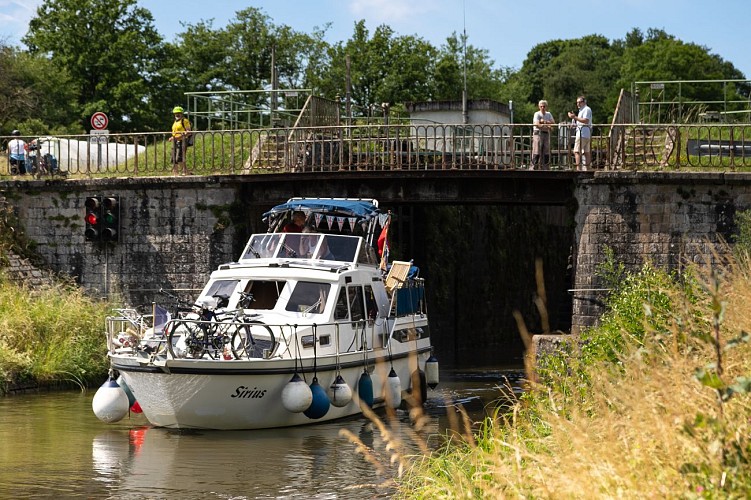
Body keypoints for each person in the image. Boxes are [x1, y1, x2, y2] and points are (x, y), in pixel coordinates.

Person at [568, 96, 592, 171]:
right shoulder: (581, 110)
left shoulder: (586, 109)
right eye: (577, 102)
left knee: (576, 151)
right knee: (586, 152)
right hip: (585, 133)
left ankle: (579, 169)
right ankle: (587, 169)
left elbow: (586, 120)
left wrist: (574, 117)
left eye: (580, 102)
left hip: (582, 133)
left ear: (584, 102)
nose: (578, 104)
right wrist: (573, 124)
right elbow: (580, 122)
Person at [169, 106, 192, 176]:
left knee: (180, 158)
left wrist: (178, 137)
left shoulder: (184, 121)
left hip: (182, 141)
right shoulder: (175, 122)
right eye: (176, 113)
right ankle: (175, 174)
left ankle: (186, 172)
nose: (177, 114)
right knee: (173, 158)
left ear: (182, 114)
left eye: (179, 113)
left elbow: (188, 132)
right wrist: (172, 137)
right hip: (175, 141)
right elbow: (175, 132)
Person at [531, 100, 554, 170]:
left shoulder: (548, 114)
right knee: (536, 150)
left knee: (546, 151)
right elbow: (537, 125)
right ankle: (534, 167)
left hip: (546, 134)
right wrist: (547, 125)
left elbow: (553, 123)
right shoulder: (537, 114)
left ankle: (545, 167)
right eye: (541, 106)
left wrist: (544, 122)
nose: (542, 108)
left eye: (544, 106)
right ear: (539, 107)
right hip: (538, 133)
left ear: (546, 107)